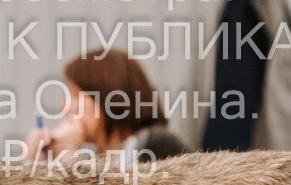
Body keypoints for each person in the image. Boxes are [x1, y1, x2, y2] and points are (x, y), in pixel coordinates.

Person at [25, 49, 188, 166]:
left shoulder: (157, 145)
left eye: (75, 95)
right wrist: (39, 168)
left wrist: (70, 156)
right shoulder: (104, 158)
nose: (64, 106)